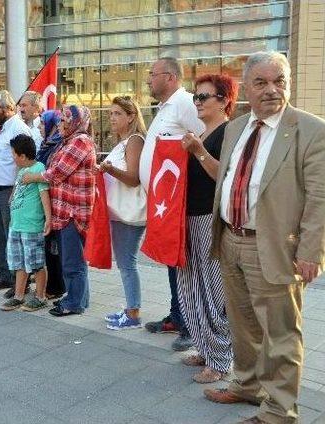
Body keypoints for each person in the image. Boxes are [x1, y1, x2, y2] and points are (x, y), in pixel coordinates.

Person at [203, 52, 325, 424]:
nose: (272, 90)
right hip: (230, 240)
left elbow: (320, 197)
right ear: (247, 87)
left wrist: (311, 252)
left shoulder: (311, 129)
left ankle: (278, 411)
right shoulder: (237, 128)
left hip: (274, 246)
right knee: (243, 324)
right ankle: (247, 385)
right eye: (261, 82)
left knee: (281, 334)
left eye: (280, 81)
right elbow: (227, 180)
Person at [139, 57, 205, 351]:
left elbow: (204, 139)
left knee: (184, 263)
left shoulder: (185, 103)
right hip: (163, 202)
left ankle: (191, 325)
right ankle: (177, 316)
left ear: (170, 77)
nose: (149, 80)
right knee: (170, 259)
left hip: (180, 202)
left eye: (152, 75)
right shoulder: (165, 107)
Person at [176, 74, 238, 383]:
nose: (197, 102)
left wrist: (199, 151)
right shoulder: (202, 131)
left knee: (213, 291)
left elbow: (225, 178)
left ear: (224, 100)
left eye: (204, 97)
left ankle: (221, 359)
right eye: (195, 97)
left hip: (209, 220)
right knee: (192, 286)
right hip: (188, 218)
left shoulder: (228, 132)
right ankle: (204, 346)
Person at [23, 105, 96, 317]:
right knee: (72, 259)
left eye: (65, 121)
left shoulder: (80, 141)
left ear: (76, 122)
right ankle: (79, 299)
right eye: (60, 121)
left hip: (74, 211)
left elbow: (57, 173)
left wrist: (32, 177)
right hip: (66, 211)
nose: (60, 125)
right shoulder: (68, 141)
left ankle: (74, 303)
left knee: (72, 262)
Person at [100, 96, 147, 330]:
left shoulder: (135, 141)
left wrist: (110, 169)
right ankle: (130, 308)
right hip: (119, 212)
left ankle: (133, 314)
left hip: (129, 212)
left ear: (131, 116)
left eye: (118, 113)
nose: (112, 118)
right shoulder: (123, 142)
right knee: (125, 263)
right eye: (110, 113)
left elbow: (133, 178)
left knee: (128, 263)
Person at [0, 90, 33, 291]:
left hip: (9, 191)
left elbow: (25, 163)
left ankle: (19, 282)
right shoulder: (4, 129)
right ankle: (5, 275)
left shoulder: (17, 128)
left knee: (13, 239)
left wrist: (16, 190)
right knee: (0, 237)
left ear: (8, 107)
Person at [0, 134, 51, 312]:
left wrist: (48, 219)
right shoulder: (21, 171)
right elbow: (16, 190)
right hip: (17, 225)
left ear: (22, 156)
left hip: (31, 226)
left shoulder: (39, 168)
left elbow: (44, 196)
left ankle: (40, 296)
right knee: (19, 263)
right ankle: (19, 296)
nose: (12, 157)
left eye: (13, 154)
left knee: (36, 263)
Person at [36, 110, 65, 299]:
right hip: (45, 199)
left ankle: (57, 287)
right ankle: (53, 284)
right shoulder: (46, 144)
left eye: (41, 124)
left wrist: (34, 176)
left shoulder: (58, 145)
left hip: (56, 201)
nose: (39, 128)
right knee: (49, 246)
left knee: (55, 248)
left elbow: (52, 172)